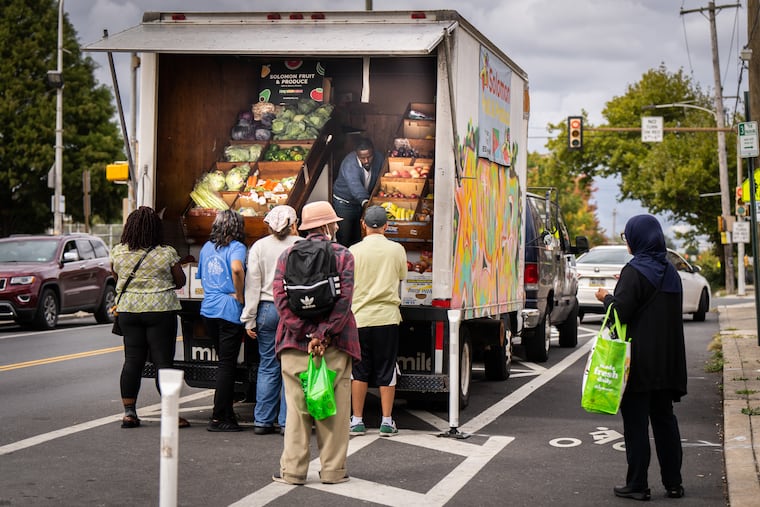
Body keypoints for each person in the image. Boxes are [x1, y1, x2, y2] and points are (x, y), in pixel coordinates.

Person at [594, 214, 687, 501]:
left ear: (636, 239)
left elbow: (619, 313)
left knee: (636, 424)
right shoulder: (671, 272)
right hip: (668, 362)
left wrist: (606, 297)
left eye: (627, 237)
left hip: (638, 361)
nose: (627, 243)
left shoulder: (634, 271)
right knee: (665, 421)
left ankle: (637, 484)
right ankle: (674, 483)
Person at [271, 200, 360, 485]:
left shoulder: (286, 256)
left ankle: (294, 472)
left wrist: (306, 333)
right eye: (334, 223)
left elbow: (281, 301)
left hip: (294, 345)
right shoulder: (343, 255)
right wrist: (323, 334)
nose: (336, 227)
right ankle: (333, 471)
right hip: (335, 344)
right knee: (333, 412)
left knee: (297, 412)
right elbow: (344, 301)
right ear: (326, 226)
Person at [110, 206, 187, 429]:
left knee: (132, 361)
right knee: (163, 362)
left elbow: (116, 278)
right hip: (160, 311)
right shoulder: (167, 253)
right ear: (155, 229)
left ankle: (129, 413)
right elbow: (180, 281)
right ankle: (171, 415)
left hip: (129, 311)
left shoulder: (118, 252)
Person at [240, 205, 301, 435]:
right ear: (293, 223)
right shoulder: (299, 245)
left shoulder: (258, 247)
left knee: (268, 365)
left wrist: (249, 319)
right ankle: (287, 422)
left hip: (266, 310)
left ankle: (263, 420)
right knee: (291, 366)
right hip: (293, 311)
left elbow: (252, 285)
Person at [348, 206, 407, 436]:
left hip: (360, 317)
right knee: (386, 369)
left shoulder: (353, 250)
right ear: (385, 226)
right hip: (387, 317)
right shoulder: (397, 250)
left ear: (363, 224)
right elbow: (402, 276)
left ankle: (357, 420)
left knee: (359, 370)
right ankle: (386, 420)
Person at [197, 209, 247, 432]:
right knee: (227, 365)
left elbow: (201, 277)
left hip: (208, 310)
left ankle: (226, 413)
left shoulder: (207, 248)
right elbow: (237, 268)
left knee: (223, 363)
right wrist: (241, 294)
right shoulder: (237, 247)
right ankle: (219, 417)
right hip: (229, 310)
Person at [332, 137, 385, 247]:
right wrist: (367, 204)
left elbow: (382, 176)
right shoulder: (349, 164)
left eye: (369, 157)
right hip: (344, 204)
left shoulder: (379, 158)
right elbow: (355, 187)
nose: (366, 161)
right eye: (362, 158)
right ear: (356, 155)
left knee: (359, 237)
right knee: (344, 238)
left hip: (362, 203)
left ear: (373, 152)